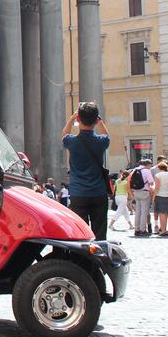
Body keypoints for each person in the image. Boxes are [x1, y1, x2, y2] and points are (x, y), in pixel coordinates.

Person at [61, 101, 110, 241]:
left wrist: (71, 118)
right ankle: (100, 259)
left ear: (78, 119)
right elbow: (106, 136)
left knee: (81, 234)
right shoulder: (101, 142)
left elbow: (64, 134)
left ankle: (82, 261)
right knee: (100, 232)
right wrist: (100, 123)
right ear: (96, 120)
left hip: (78, 193)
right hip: (99, 192)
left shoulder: (71, 141)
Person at [129, 159, 154, 236]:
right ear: (147, 165)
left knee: (138, 212)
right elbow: (151, 182)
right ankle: (143, 230)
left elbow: (129, 181)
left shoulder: (134, 170)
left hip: (136, 192)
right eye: (150, 165)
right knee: (144, 212)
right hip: (144, 192)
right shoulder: (147, 171)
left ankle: (136, 229)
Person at [152, 162, 168, 236]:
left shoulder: (158, 175)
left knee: (162, 213)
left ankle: (163, 230)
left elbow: (157, 187)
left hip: (160, 195)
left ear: (159, 168)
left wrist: (154, 196)